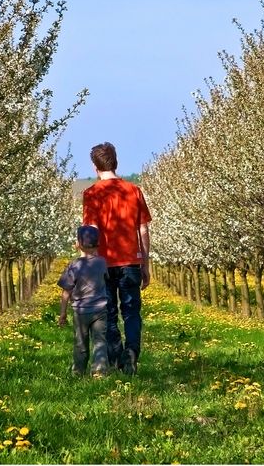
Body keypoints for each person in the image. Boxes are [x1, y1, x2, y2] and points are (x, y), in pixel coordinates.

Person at [82, 142, 152, 375]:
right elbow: (142, 229)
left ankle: (118, 357)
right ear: (116, 162)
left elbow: (90, 231)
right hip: (131, 261)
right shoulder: (133, 190)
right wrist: (145, 263)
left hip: (103, 264)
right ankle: (131, 354)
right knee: (132, 312)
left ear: (95, 167)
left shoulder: (91, 194)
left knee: (109, 313)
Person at [57, 224, 109, 377]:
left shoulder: (74, 266)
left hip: (80, 312)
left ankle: (78, 371)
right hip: (100, 310)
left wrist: (62, 314)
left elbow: (66, 292)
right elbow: (105, 277)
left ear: (77, 244)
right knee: (100, 341)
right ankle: (99, 370)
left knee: (81, 343)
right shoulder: (102, 263)